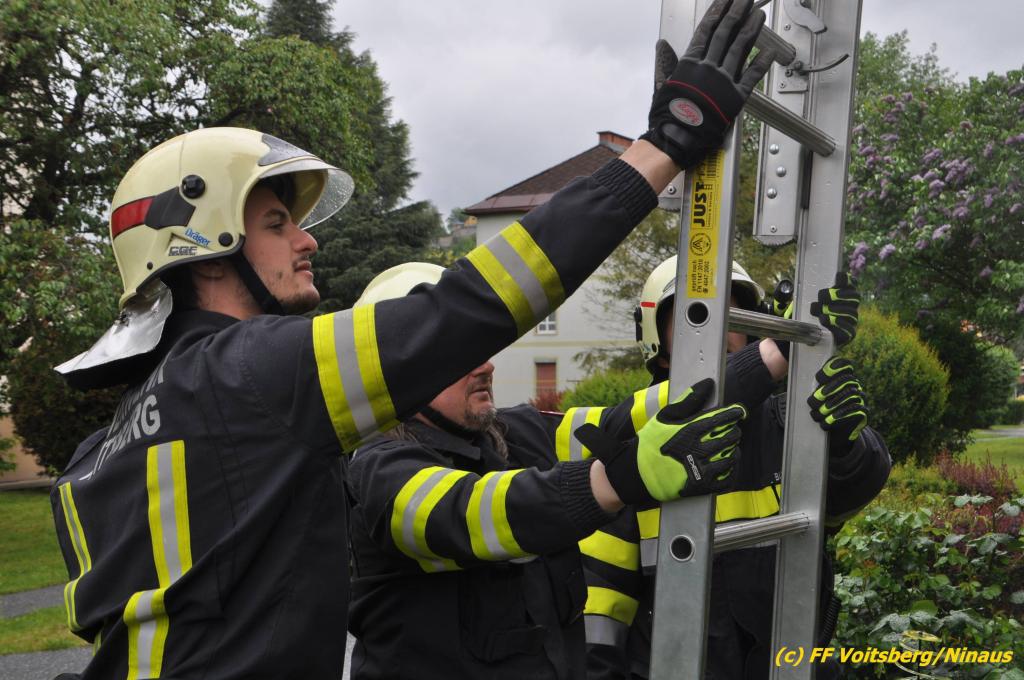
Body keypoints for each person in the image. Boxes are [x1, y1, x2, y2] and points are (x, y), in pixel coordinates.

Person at [47, 1, 773, 677]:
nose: (306, 241)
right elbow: (469, 310)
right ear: (205, 252)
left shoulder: (104, 448)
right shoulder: (245, 374)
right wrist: (665, 145)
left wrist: (776, 353)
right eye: (275, 224)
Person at [346, 262, 746, 679]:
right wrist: (616, 481)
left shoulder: (514, 434)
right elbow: (474, 512)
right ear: (394, 371)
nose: (486, 365)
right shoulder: (379, 470)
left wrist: (770, 356)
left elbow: (625, 419)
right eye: (458, 351)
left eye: (482, 345)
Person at [583, 257, 892, 680]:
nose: (713, 328)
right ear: (657, 339)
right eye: (695, 314)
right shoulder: (633, 443)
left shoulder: (786, 421)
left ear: (751, 329)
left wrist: (844, 446)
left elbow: (847, 497)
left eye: (731, 312)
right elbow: (601, 609)